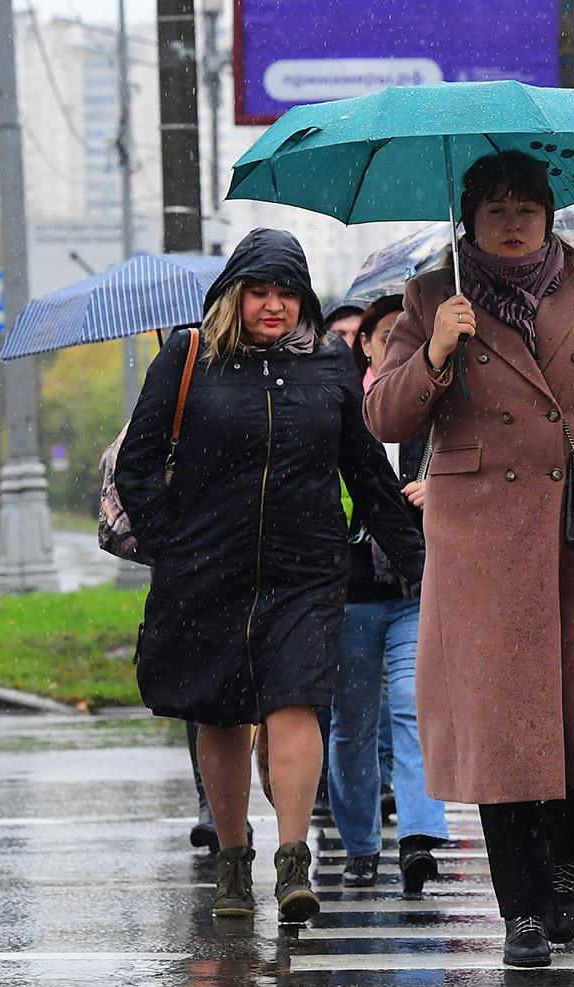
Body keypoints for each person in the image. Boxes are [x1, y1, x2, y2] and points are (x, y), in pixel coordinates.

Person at [366, 149, 574, 968]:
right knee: (504, 729)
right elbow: (385, 416)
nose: (512, 222)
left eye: (526, 208)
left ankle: (569, 855)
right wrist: (434, 353)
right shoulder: (432, 294)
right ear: (469, 217)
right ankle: (523, 912)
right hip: (481, 539)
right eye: (496, 207)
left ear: (549, 215)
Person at [117, 229, 424, 926]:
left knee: (295, 702)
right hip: (206, 569)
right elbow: (137, 462)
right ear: (234, 295)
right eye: (260, 291)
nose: (274, 306)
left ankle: (293, 860)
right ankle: (232, 859)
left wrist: (418, 565)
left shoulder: (328, 367)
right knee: (221, 713)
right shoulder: (186, 357)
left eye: (288, 293)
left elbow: (368, 478)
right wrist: (173, 542)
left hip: (306, 571)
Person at [328, 292, 450, 897]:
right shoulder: (338, 404)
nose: (394, 342)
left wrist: (440, 488)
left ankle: (418, 840)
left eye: (406, 332)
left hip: (416, 587)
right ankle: (359, 844)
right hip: (349, 591)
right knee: (351, 722)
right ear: (367, 346)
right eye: (383, 335)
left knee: (412, 705)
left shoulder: (434, 404)